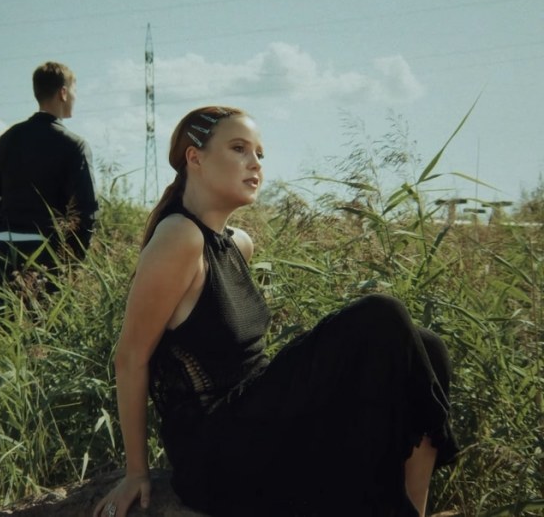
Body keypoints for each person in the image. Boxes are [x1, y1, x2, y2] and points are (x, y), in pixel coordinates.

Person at [94, 106, 458, 517]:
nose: (255, 164)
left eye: (259, 154)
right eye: (239, 149)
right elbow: (130, 357)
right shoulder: (179, 237)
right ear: (194, 157)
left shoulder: (239, 244)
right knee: (381, 314)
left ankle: (412, 510)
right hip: (217, 453)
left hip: (261, 423)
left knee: (426, 346)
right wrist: (136, 473)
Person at [0, 61, 98, 310]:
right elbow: (87, 211)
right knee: (44, 328)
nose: (75, 97)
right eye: (74, 91)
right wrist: (72, 260)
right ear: (63, 92)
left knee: (0, 325)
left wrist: (9, 227)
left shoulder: (7, 139)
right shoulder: (74, 145)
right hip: (46, 253)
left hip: (4, 249)